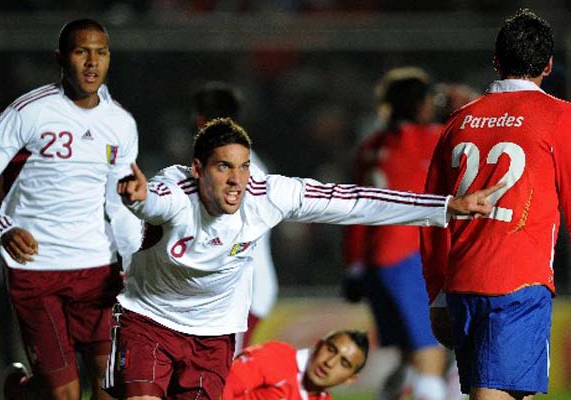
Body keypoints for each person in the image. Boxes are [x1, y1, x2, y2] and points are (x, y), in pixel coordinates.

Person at [107, 117, 499, 400]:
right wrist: (138, 198)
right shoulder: (175, 191)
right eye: (223, 167)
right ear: (198, 170)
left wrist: (445, 206)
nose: (236, 180)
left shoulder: (267, 196)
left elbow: (355, 203)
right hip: (150, 318)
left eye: (243, 167)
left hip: (213, 334)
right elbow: (154, 203)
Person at [0, 18, 142, 400]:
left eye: (101, 52)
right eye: (82, 52)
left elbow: (118, 202)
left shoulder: (121, 124)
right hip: (37, 268)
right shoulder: (29, 111)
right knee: (65, 393)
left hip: (97, 268)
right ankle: (23, 391)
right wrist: (2, 228)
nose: (92, 62)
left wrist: (133, 261)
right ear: (61, 59)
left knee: (110, 384)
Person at [421, 8, 567, 400]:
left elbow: (432, 214)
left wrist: (438, 295)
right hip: (519, 284)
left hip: (464, 284)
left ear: (497, 62)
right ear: (549, 65)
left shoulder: (458, 121)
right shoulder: (559, 117)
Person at [342, 67, 448, 400]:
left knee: (408, 357)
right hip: (408, 258)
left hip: (375, 263)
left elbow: (353, 210)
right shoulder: (428, 139)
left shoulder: (371, 145)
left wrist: (353, 267)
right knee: (431, 354)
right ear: (420, 105)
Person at [192, 81, 278, 350]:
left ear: (201, 122)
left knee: (221, 378)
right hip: (237, 288)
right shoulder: (246, 165)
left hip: (240, 290)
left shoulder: (237, 171)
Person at [222, 329, 369, 399]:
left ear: (350, 379)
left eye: (344, 363)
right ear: (318, 345)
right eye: (330, 349)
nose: (329, 363)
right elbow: (220, 391)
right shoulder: (277, 357)